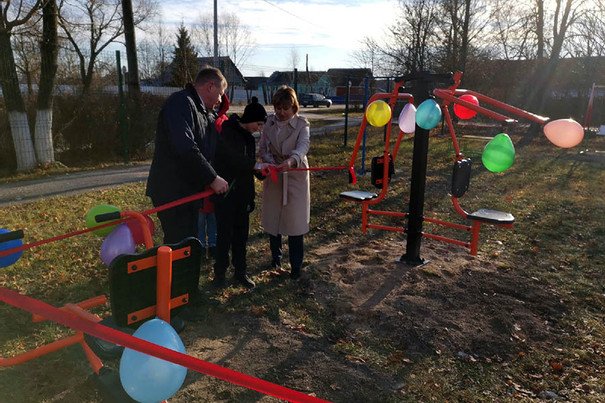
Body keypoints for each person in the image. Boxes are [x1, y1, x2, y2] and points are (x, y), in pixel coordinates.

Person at [146, 67, 229, 245]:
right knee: (179, 242)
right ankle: (175, 272)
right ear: (210, 87)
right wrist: (212, 178)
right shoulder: (180, 103)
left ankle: (183, 270)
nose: (221, 100)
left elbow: (211, 147)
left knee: (188, 241)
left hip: (189, 190)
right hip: (173, 190)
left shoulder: (202, 111)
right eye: (221, 93)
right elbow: (185, 146)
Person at [212, 102, 268, 288]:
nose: (259, 129)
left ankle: (240, 272)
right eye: (258, 124)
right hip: (226, 196)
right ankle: (219, 274)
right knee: (224, 236)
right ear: (250, 119)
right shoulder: (228, 132)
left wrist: (261, 172)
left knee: (241, 236)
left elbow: (249, 163)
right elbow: (233, 159)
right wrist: (253, 166)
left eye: (261, 125)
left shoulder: (250, 139)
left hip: (244, 195)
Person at [258, 86, 310, 279]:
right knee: (274, 218)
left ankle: (296, 266)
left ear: (293, 107)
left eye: (285, 108)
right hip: (274, 175)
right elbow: (262, 146)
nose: (280, 112)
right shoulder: (269, 123)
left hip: (295, 175)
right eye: (278, 108)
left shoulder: (302, 124)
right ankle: (275, 258)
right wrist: (269, 161)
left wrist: (291, 161)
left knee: (295, 222)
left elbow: (303, 146)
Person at [198, 93, 230, 258]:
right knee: (201, 215)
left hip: (217, 174)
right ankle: (201, 246)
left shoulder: (224, 122)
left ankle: (213, 244)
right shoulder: (200, 118)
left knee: (213, 215)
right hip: (202, 173)